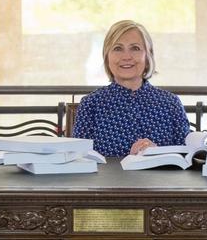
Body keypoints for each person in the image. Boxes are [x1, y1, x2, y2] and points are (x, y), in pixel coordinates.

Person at [73, 20, 190, 157]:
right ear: (107, 56)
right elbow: (80, 160)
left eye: (135, 48)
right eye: (118, 48)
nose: (126, 57)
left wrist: (157, 154)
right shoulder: (91, 104)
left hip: (160, 179)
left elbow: (187, 157)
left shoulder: (171, 103)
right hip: (109, 179)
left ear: (148, 55)